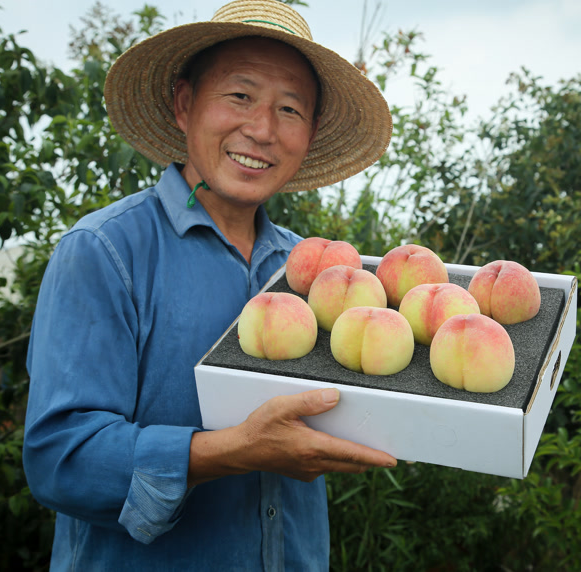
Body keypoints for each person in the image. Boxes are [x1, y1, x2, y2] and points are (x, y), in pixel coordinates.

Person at [22, 1, 395, 570]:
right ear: (184, 104)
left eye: (290, 109)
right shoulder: (106, 251)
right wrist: (233, 451)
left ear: (310, 132)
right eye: (240, 96)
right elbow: (60, 459)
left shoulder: (313, 271)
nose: (263, 129)